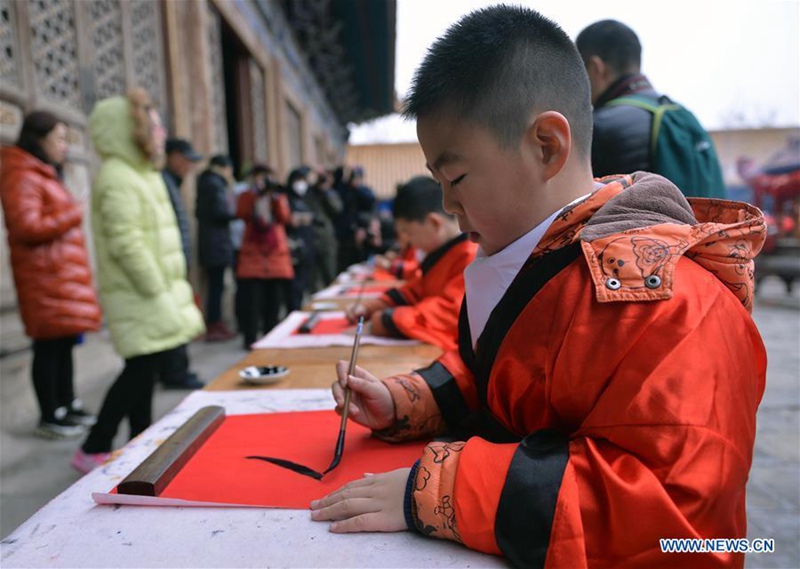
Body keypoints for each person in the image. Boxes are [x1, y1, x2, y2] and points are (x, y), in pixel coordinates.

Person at [310, 6, 767, 567]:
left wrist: (442, 489)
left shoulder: (670, 306)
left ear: (547, 146)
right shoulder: (547, 256)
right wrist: (412, 401)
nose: (449, 205)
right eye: (438, 183)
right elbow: (512, 381)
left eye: (455, 179)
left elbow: (680, 521)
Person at [72, 89, 205, 473]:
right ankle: (94, 445)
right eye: (154, 124)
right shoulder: (117, 176)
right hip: (139, 292)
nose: (161, 131)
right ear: (130, 130)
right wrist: (155, 287)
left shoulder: (139, 173)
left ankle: (139, 439)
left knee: (146, 365)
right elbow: (125, 241)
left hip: (153, 290)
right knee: (142, 366)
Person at [0, 111, 102, 439]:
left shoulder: (41, 172)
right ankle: (50, 415)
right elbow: (26, 226)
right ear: (38, 138)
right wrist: (73, 214)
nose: (64, 146)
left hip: (58, 277)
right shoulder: (22, 173)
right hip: (43, 278)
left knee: (64, 343)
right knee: (47, 347)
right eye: (59, 138)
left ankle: (68, 404)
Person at [575, 19, 726, 198]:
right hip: (707, 226)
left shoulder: (598, 127)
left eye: (578, 73)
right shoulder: (685, 116)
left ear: (595, 68)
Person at [344, 176, 477, 351]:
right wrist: (370, 307)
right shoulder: (445, 251)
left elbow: (448, 315)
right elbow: (416, 289)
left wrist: (385, 321)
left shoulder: (470, 256)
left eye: (408, 232)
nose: (406, 240)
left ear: (434, 223)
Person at [159, 137, 204, 389]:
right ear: (174, 156)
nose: (189, 167)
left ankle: (175, 371)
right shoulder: (162, 181)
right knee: (173, 319)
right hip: (168, 264)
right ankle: (174, 372)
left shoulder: (172, 182)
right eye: (187, 161)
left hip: (175, 261)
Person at [236, 164, 294, 349]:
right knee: (252, 305)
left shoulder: (278, 197)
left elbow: (285, 217)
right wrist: (255, 195)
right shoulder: (247, 196)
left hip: (276, 257)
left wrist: (274, 196)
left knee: (273, 305)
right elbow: (241, 212)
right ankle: (250, 340)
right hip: (252, 258)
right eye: (259, 178)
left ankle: (271, 339)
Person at [195, 154, 237, 341]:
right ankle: (214, 324)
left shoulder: (206, 182)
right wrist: (236, 211)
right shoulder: (214, 184)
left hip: (212, 243)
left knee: (216, 287)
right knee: (216, 288)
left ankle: (216, 323)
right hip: (216, 245)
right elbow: (220, 212)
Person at [306, 168, 343, 290]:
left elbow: (337, 209)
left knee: (329, 274)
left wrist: (325, 191)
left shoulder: (331, 193)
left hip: (326, 239)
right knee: (312, 279)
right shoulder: (309, 193)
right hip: (310, 238)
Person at [284, 166, 316, 311]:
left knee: (303, 284)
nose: (301, 184)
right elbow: (289, 220)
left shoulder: (307, 198)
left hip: (306, 247)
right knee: (293, 288)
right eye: (298, 180)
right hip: (292, 249)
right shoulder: (286, 199)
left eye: (304, 180)